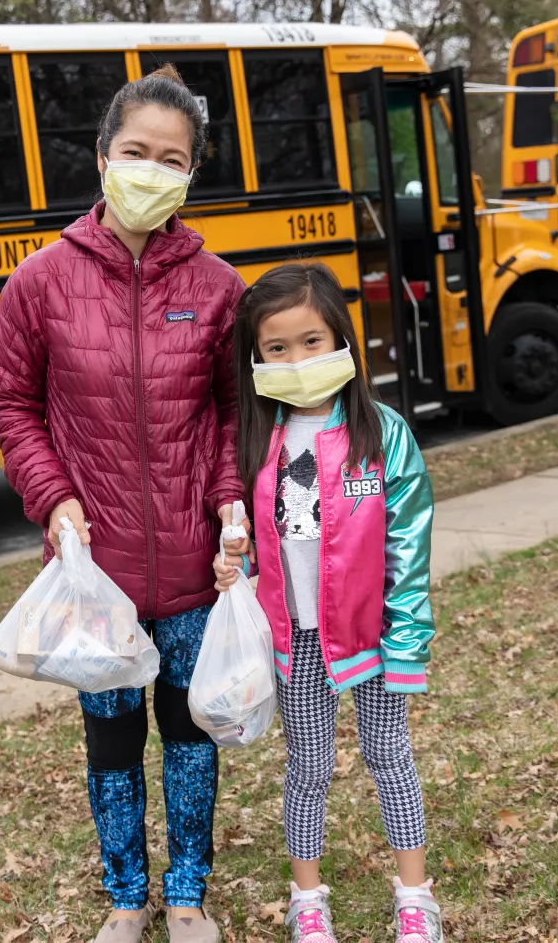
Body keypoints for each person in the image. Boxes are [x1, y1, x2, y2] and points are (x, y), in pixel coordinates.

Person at [0, 65, 248, 943]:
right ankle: (127, 898)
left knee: (187, 736)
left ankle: (187, 896)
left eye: (170, 159)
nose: (150, 170)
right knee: (109, 743)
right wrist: (53, 499)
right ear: (101, 157)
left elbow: (230, 414)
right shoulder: (39, 282)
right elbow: (11, 406)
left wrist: (229, 508)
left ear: (189, 175)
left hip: (191, 571)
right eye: (134, 151)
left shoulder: (218, 289)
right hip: (89, 578)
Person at [213, 263, 438, 943]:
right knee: (307, 768)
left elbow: (409, 545)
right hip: (295, 640)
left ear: (340, 338)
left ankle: (414, 894)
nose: (296, 359)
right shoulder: (254, 440)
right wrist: (233, 563)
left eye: (311, 342)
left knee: (388, 754)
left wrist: (403, 644)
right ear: (255, 359)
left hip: (371, 633)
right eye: (276, 349)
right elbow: (246, 543)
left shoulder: (383, 432)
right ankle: (307, 899)